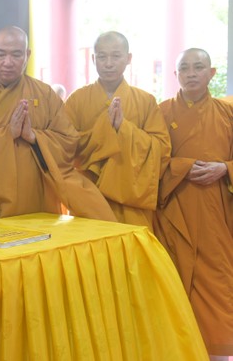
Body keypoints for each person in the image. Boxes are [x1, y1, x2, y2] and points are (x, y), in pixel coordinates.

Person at [0, 26, 117, 221]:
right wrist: (7, 134)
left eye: (16, 55)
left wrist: (34, 137)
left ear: (27, 55)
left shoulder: (45, 94)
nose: (8, 62)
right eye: (1, 54)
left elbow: (69, 142)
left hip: (38, 201)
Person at [154, 48, 233, 360]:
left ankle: (217, 351)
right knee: (174, 278)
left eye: (198, 67)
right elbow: (150, 161)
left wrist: (225, 168)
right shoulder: (160, 113)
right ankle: (177, 349)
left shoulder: (227, 113)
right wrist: (183, 167)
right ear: (176, 75)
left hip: (217, 212)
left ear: (211, 73)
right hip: (175, 210)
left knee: (217, 279)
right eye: (184, 68)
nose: (191, 73)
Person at [64, 31, 171, 228]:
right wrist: (105, 130)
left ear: (128, 58)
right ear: (93, 59)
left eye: (115, 56)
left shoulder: (146, 101)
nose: (108, 63)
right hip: (88, 196)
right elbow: (63, 145)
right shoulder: (76, 100)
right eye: (102, 57)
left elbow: (161, 149)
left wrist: (124, 128)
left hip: (131, 199)